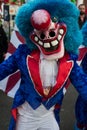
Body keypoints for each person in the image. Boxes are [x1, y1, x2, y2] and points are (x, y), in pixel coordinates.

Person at [0, 0, 87, 130]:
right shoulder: (23, 54)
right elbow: (3, 70)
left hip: (48, 117)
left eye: (52, 32)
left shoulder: (69, 60)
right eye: (42, 32)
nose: (47, 34)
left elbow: (83, 85)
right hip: (26, 118)